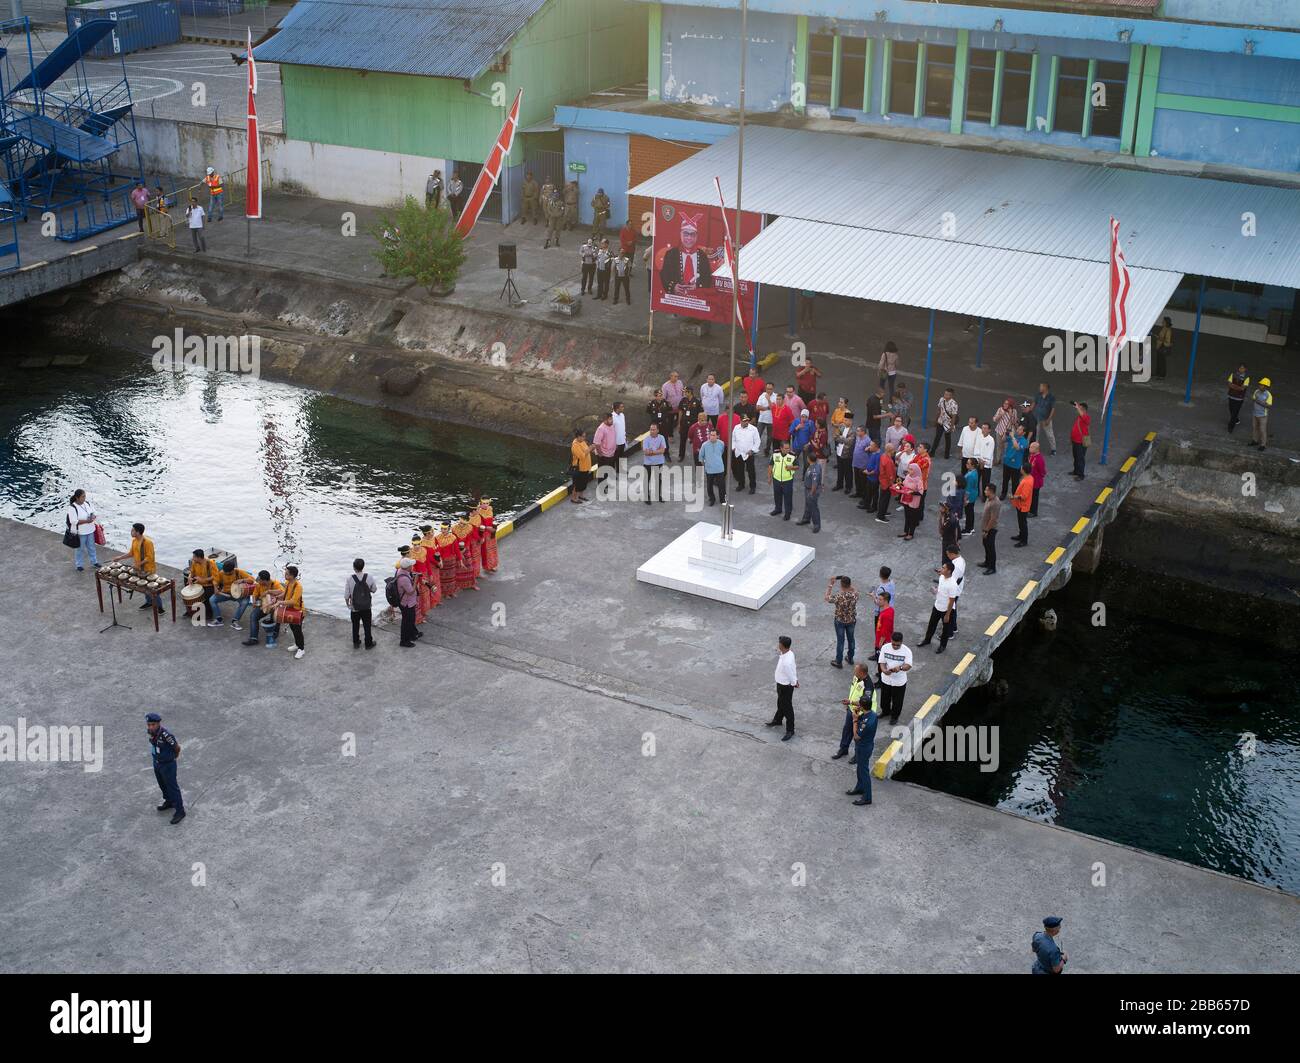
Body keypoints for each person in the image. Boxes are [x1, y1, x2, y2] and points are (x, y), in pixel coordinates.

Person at [145, 712, 185, 825]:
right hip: (157, 763)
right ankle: (169, 801)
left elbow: (177, 748)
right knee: (162, 784)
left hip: (167, 765)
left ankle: (180, 811)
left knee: (172, 787)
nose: (150, 727)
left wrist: (172, 758)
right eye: (149, 724)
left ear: (158, 724)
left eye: (153, 724)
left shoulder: (166, 735)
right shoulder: (152, 733)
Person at [847, 674, 879, 807]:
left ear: (863, 707)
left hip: (864, 747)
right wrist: (850, 702)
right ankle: (859, 787)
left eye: (859, 703)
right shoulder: (871, 713)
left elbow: (856, 736)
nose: (857, 705)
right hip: (863, 746)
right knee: (859, 769)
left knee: (864, 770)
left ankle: (867, 797)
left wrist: (855, 719)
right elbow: (861, 705)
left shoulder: (866, 721)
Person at [112, 522, 159, 609]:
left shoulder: (148, 543)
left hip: (148, 569)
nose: (131, 531)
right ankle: (149, 602)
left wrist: (138, 564)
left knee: (152, 588)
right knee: (144, 587)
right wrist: (120, 558)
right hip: (139, 569)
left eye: (133, 530)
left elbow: (149, 557)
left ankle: (159, 607)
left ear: (138, 532)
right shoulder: (134, 541)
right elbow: (131, 553)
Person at [920, 561, 959, 654]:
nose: (941, 569)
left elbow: (952, 600)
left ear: (949, 571)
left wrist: (947, 615)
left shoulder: (953, 584)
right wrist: (936, 590)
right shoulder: (941, 577)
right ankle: (927, 640)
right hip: (937, 605)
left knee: (945, 630)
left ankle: (942, 646)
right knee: (931, 624)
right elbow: (941, 588)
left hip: (946, 610)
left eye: (944, 568)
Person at [270, 565, 306, 659]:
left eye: (287, 574)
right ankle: (297, 644)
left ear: (292, 576)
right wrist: (277, 598)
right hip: (289, 609)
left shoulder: (298, 587)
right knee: (292, 628)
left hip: (298, 611)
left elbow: (293, 601)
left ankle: (301, 649)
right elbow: (285, 594)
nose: (285, 575)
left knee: (298, 631)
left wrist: (279, 603)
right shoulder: (287, 582)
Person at [766, 636, 798, 741]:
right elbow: (794, 669)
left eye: (779, 643)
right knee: (780, 703)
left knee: (787, 707)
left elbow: (790, 672)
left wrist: (794, 682)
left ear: (782, 646)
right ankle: (778, 719)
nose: (778, 645)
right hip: (781, 684)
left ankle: (790, 730)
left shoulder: (786, 662)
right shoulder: (788, 653)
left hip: (785, 686)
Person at [876, 630, 911, 725]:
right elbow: (882, 662)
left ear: (901, 642)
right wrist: (883, 670)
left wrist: (900, 668)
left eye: (897, 645)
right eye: (893, 644)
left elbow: (908, 665)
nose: (895, 646)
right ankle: (885, 711)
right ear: (891, 640)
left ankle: (895, 716)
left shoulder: (907, 651)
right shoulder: (885, 648)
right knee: (884, 698)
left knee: (897, 701)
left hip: (899, 681)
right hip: (886, 679)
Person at [238, 570, 282, 643]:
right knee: (253, 616)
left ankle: (275, 631)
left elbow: (282, 592)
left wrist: (269, 591)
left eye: (260, 580)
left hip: (274, 605)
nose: (258, 581)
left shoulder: (275, 584)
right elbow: (255, 594)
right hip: (263, 605)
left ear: (264, 580)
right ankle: (253, 638)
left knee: (276, 615)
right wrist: (254, 601)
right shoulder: (259, 585)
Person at [825, 575, 858, 669]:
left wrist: (831, 585)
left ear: (841, 585)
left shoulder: (839, 596)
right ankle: (850, 658)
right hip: (851, 620)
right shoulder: (854, 595)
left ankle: (839, 661)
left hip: (840, 621)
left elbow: (827, 598)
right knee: (851, 639)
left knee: (841, 641)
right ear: (850, 584)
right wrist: (849, 585)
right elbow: (855, 590)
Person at [208, 558, 253, 627]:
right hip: (225, 593)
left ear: (232, 570)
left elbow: (252, 580)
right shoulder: (222, 573)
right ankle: (218, 620)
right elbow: (215, 581)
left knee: (245, 602)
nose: (225, 573)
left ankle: (235, 620)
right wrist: (215, 588)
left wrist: (242, 580)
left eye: (227, 572)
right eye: (224, 571)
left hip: (238, 594)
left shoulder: (238, 572)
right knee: (212, 600)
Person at [345, 558, 378, 649]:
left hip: (355, 607)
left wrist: (348, 605)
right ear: (363, 566)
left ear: (354, 567)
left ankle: (356, 642)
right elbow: (374, 590)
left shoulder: (349, 579)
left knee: (355, 625)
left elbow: (346, 595)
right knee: (367, 625)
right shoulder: (369, 577)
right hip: (366, 606)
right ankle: (368, 643)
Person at [65, 489, 98, 570]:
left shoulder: (87, 503)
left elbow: (94, 512)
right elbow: (73, 521)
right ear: (77, 498)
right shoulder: (72, 507)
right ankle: (79, 565)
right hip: (80, 532)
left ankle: (94, 561)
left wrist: (93, 516)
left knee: (91, 547)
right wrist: (87, 521)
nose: (84, 498)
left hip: (90, 530)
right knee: (80, 549)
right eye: (83, 496)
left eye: (85, 496)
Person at [185, 548, 219, 621]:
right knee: (188, 594)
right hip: (198, 583)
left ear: (199, 557)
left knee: (206, 596)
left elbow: (215, 576)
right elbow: (192, 572)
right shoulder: (194, 563)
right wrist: (189, 577)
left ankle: (209, 614)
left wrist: (203, 580)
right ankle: (190, 610)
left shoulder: (210, 563)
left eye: (194, 557)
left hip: (208, 585)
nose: (193, 558)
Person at [731, 413, 761, 494]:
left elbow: (757, 441)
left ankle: (752, 486)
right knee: (739, 470)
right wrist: (733, 447)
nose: (746, 422)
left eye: (747, 420)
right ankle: (741, 484)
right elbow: (733, 439)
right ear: (740, 421)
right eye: (744, 421)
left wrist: (753, 450)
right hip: (739, 453)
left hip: (749, 454)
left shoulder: (753, 429)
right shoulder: (736, 428)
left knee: (751, 471)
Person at [798, 447, 826, 532]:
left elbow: (814, 483)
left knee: (813, 507)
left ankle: (817, 525)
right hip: (808, 489)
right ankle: (806, 518)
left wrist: (811, 493)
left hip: (812, 490)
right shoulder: (813, 465)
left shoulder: (814, 469)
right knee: (808, 504)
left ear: (808, 459)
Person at [768, 441, 796, 520]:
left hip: (787, 480)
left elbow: (797, 466)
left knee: (788, 497)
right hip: (776, 479)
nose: (788, 450)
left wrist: (792, 467)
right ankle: (778, 509)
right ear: (781, 448)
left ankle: (788, 513)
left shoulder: (792, 455)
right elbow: (770, 466)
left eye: (788, 448)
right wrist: (769, 477)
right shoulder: (775, 454)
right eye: (786, 448)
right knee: (777, 495)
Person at [395, 557, 419, 648]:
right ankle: (404, 640)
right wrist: (416, 580)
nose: (412, 566)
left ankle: (412, 635)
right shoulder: (403, 578)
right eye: (411, 565)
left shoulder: (401, 571)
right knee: (407, 622)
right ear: (408, 567)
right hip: (406, 603)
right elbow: (411, 591)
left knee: (411, 619)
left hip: (408, 602)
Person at [1000, 424, 1028, 500]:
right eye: (1017, 429)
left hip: (1016, 465)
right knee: (1005, 480)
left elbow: (1017, 447)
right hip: (1007, 462)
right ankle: (1003, 493)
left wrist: (1012, 437)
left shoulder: (1024, 441)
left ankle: (1014, 495)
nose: (1017, 430)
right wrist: (1005, 434)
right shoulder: (1013, 436)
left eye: (1020, 429)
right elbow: (1002, 440)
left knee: (1015, 482)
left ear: (1024, 433)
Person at [700, 428, 727, 506]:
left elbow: (721, 452)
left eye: (714, 435)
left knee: (722, 485)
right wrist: (705, 466)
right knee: (709, 485)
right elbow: (701, 457)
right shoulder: (704, 445)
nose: (711, 437)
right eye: (710, 435)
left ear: (717, 436)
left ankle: (723, 500)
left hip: (719, 468)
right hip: (709, 469)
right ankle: (712, 499)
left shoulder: (722, 443)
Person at [931, 388, 959, 459]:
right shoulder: (941, 400)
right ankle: (932, 452)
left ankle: (947, 454)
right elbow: (939, 410)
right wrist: (936, 420)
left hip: (948, 424)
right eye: (945, 394)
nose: (945, 395)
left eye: (947, 394)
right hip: (941, 421)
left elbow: (954, 416)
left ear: (951, 395)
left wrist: (951, 426)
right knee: (937, 437)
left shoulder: (954, 404)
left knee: (947, 439)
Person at [642, 423, 666, 504]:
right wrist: (657, 451)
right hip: (647, 462)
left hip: (659, 462)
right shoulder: (646, 439)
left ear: (658, 430)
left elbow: (663, 450)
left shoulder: (662, 437)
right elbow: (646, 452)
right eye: (651, 429)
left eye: (653, 429)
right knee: (646, 480)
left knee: (658, 480)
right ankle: (646, 497)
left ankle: (658, 496)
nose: (651, 431)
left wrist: (651, 451)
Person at [677, 387, 702, 462]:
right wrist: (679, 423)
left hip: (693, 425)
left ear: (690, 392)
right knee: (682, 440)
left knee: (697, 441)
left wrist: (699, 424)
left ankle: (698, 455)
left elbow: (700, 413)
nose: (685, 393)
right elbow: (680, 412)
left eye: (686, 392)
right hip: (684, 424)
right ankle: (681, 455)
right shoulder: (683, 400)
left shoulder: (697, 401)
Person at [979, 485, 1000, 573]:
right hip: (985, 527)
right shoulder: (988, 499)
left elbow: (993, 519)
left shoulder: (995, 503)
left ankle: (992, 567)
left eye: (986, 490)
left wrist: (987, 530)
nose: (984, 491)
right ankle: (987, 562)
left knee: (990, 547)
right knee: (986, 545)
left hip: (990, 529)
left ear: (991, 491)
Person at [832, 414, 856, 492]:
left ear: (850, 421)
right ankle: (839, 484)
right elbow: (835, 436)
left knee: (848, 471)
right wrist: (842, 439)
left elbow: (850, 442)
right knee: (840, 470)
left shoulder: (853, 430)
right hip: (839, 451)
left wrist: (842, 438)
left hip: (847, 454)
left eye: (846, 420)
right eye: (844, 420)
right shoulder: (841, 427)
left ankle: (848, 487)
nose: (844, 421)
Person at [875, 443, 896, 523]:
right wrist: (892, 484)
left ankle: (883, 512)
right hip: (887, 483)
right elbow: (890, 474)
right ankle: (881, 516)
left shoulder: (883, 456)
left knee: (882, 498)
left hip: (883, 481)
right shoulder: (888, 461)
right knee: (885, 499)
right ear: (891, 451)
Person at [1249, 377, 1273, 450]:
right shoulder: (1256, 391)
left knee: (1262, 430)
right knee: (1255, 428)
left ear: (1266, 386)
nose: (1260, 386)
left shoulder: (1268, 395)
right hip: (1255, 413)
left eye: (1262, 385)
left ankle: (1263, 445)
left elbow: (1269, 405)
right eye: (1260, 384)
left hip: (1263, 415)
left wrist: (1258, 401)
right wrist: (1258, 401)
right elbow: (1253, 398)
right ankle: (1255, 440)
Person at [1033, 382, 1057, 456]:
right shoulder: (1038, 395)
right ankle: (1034, 449)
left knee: (1050, 434)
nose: (1039, 388)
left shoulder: (1051, 397)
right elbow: (1034, 403)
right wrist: (1028, 409)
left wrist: (1049, 419)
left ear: (1045, 387)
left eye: (1041, 387)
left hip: (1045, 419)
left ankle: (1053, 449)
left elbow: (1053, 408)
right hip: (1037, 417)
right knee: (1036, 434)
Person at [1069, 401, 1091, 478]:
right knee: (1075, 457)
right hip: (1075, 441)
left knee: (1080, 458)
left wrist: (1078, 407)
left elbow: (1083, 415)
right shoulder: (1080, 417)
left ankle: (1081, 475)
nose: (1078, 410)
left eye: (1080, 409)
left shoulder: (1086, 417)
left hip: (1081, 442)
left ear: (1084, 410)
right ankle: (1076, 471)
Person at [1226, 364, 1250, 433]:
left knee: (1235, 412)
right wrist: (1238, 387)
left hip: (1239, 398)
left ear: (1245, 369)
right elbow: (1229, 383)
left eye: (1243, 368)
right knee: (1231, 410)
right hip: (1231, 396)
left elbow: (1242, 388)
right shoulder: (1233, 374)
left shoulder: (1247, 378)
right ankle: (1236, 419)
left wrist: (1233, 386)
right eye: (1240, 368)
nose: (1241, 369)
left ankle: (1230, 427)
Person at [975, 422, 996, 496]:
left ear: (989, 430)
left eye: (985, 428)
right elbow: (976, 449)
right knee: (976, 479)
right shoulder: (979, 437)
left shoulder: (991, 440)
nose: (983, 430)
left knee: (985, 481)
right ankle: (976, 493)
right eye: (982, 428)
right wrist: (979, 460)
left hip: (986, 465)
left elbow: (989, 453)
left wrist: (983, 462)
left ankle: (985, 496)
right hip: (978, 462)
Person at [1027, 441, 1046, 517]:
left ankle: (1033, 512)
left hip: (1036, 481)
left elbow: (1042, 472)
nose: (1029, 448)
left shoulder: (1039, 459)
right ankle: (1030, 509)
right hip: (1031, 480)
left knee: (1034, 497)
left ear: (1036, 449)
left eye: (1031, 447)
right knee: (1031, 496)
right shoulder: (1032, 456)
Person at [755, 382, 775, 454]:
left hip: (771, 421)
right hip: (762, 419)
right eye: (767, 389)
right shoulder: (762, 395)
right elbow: (757, 407)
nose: (768, 390)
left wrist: (769, 399)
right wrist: (767, 407)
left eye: (770, 389)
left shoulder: (775, 397)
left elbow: (773, 408)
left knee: (769, 438)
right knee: (757, 435)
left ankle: (767, 450)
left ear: (773, 389)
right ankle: (754, 449)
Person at [962, 459, 979, 534]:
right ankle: (970, 527)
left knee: (969, 512)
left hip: (970, 497)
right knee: (970, 512)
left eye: (968, 463)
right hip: (973, 494)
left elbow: (968, 490)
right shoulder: (974, 472)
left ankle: (968, 529)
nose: (966, 464)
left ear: (972, 465)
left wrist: (965, 500)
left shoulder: (970, 476)